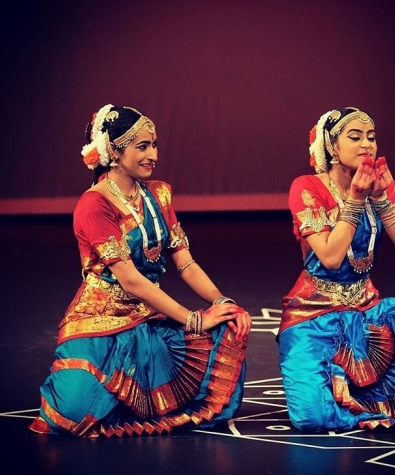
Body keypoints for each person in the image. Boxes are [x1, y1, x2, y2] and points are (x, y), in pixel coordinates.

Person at [29, 104, 252, 438]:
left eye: (155, 145)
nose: (154, 155)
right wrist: (192, 319)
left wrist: (222, 301)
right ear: (115, 150)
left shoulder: (158, 194)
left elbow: (185, 263)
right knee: (71, 413)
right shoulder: (95, 204)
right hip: (99, 323)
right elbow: (130, 279)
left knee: (228, 329)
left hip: (147, 317)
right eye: (143, 146)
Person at [277, 107, 395, 432]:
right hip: (313, 316)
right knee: (311, 418)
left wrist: (379, 198)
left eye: (371, 137)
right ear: (332, 147)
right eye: (355, 137)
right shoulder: (307, 186)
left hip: (366, 310)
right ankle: (354, 398)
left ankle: (374, 398)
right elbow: (332, 258)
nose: (367, 144)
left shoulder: (381, 185)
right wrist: (354, 200)